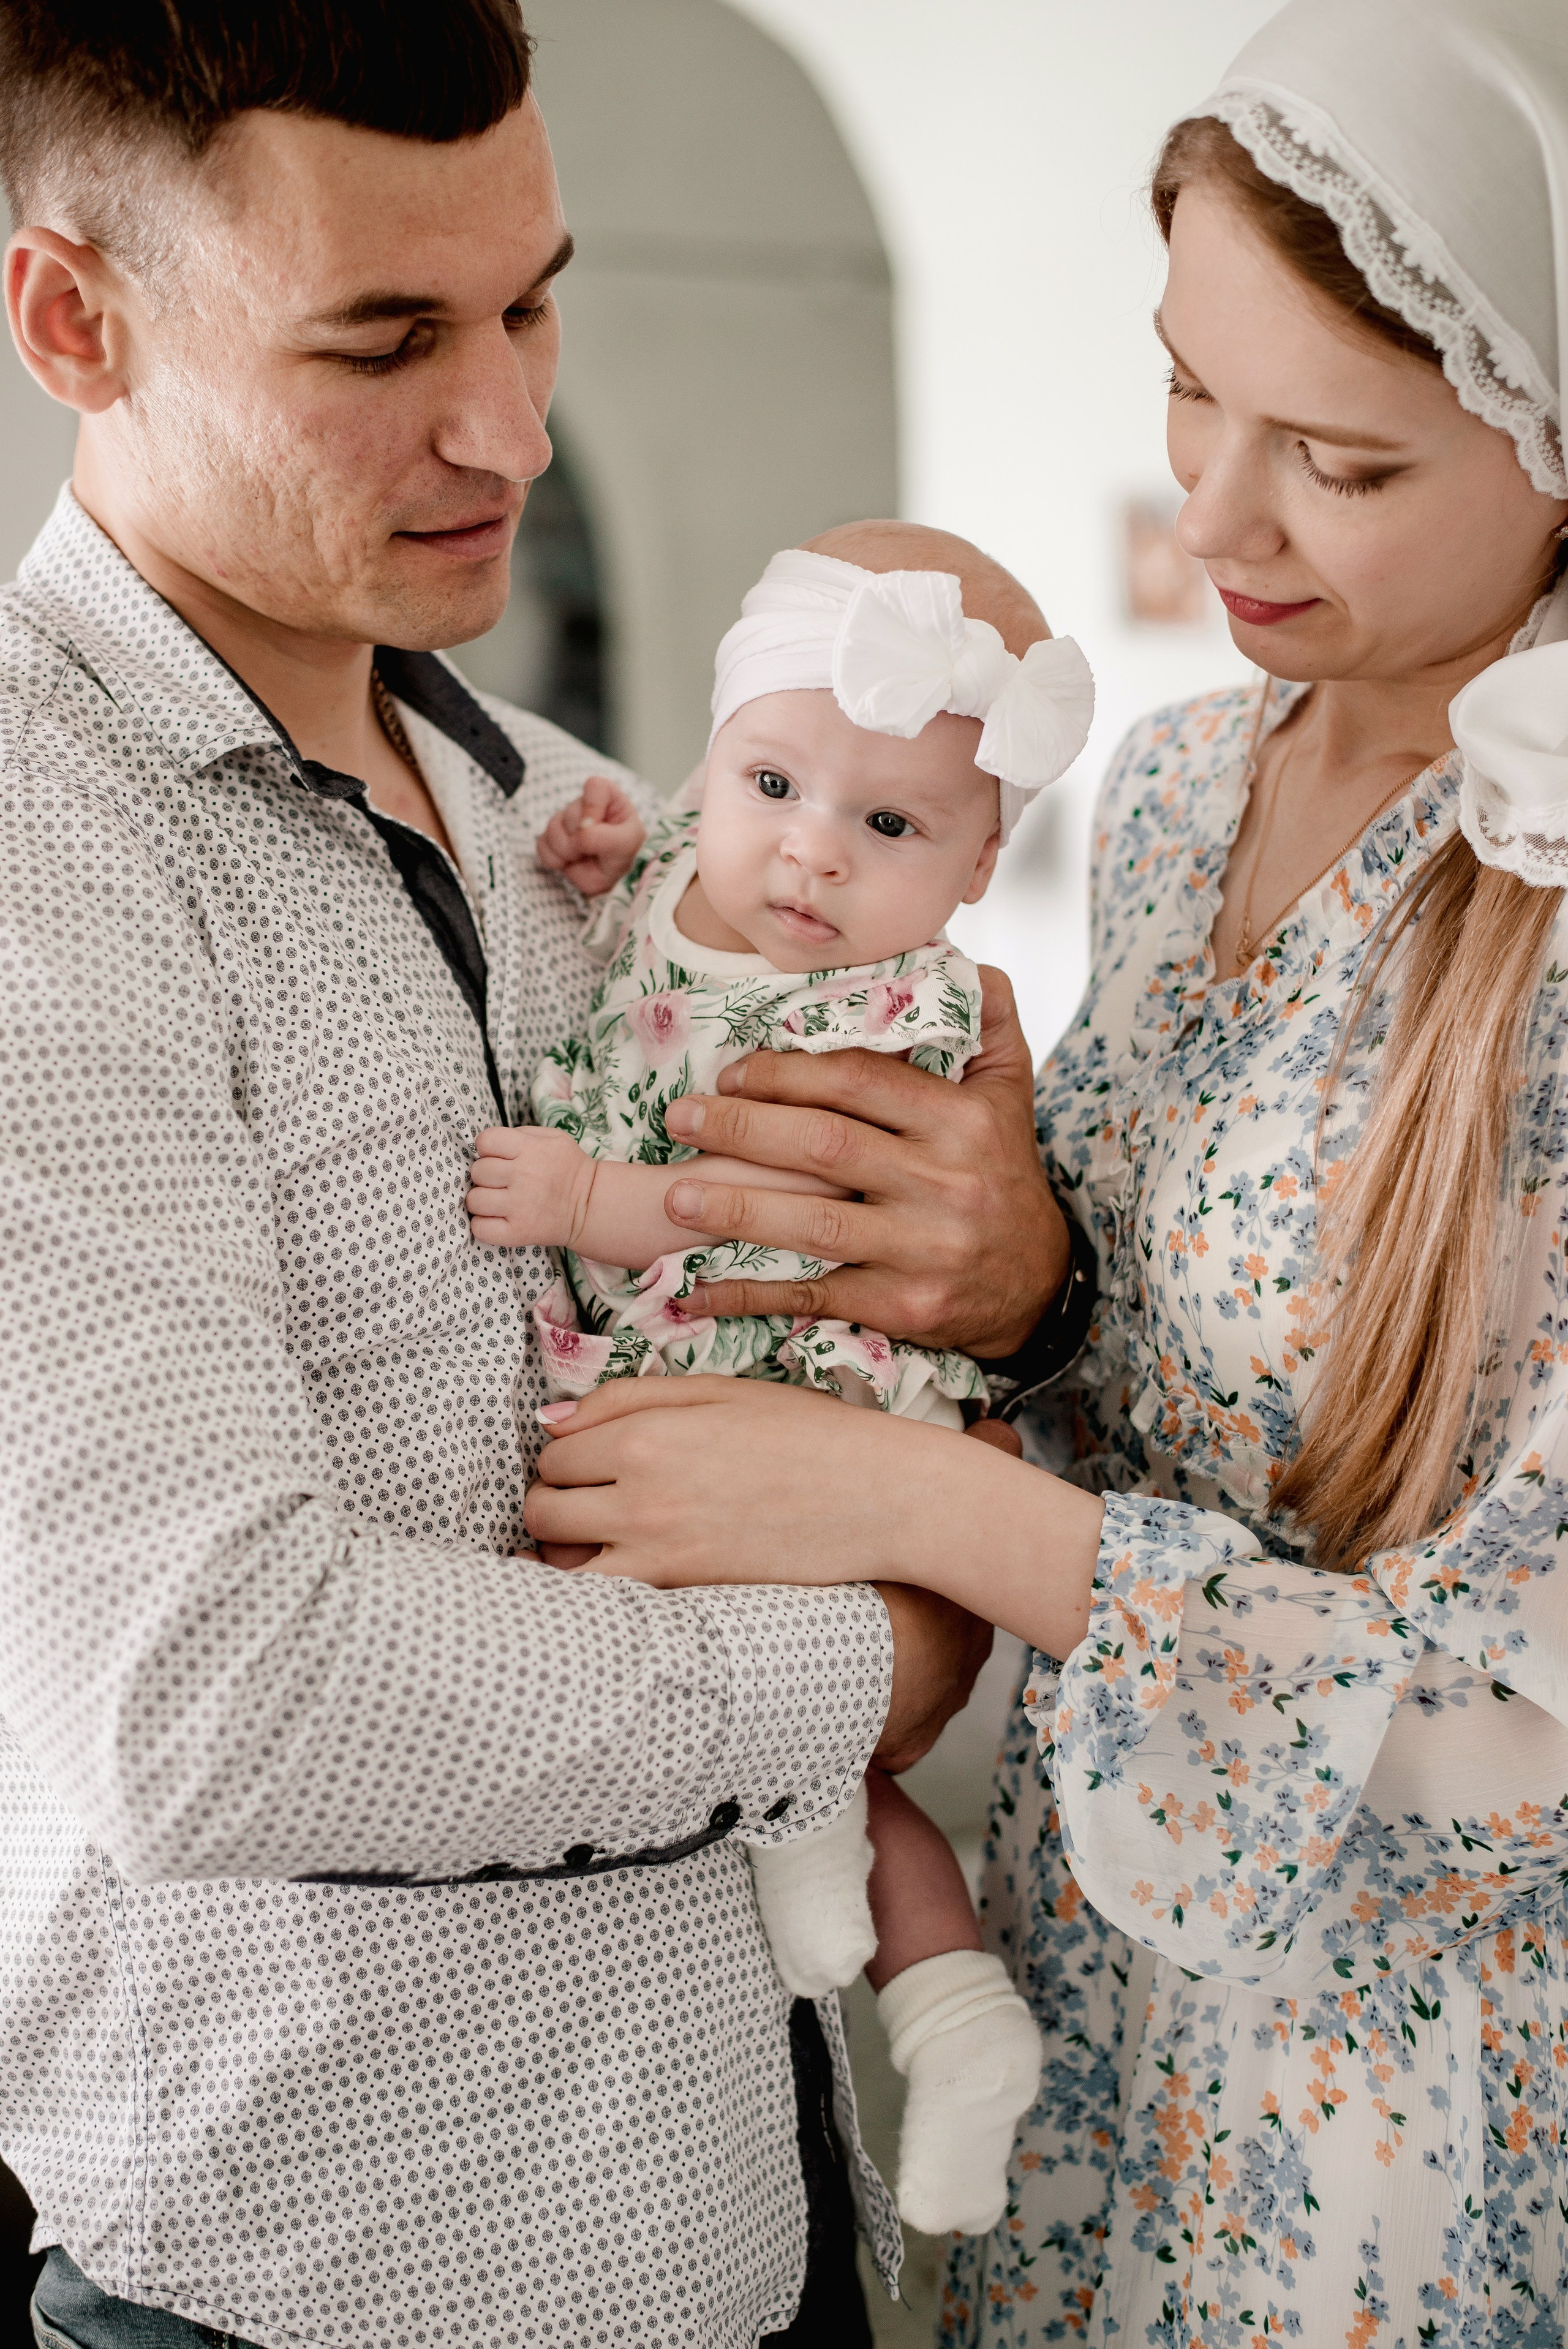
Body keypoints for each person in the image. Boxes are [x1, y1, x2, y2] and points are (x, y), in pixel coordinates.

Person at [0, 4, 1086, 2342]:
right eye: (387, 339)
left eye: (530, 299)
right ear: (74, 321)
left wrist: (1020, 1280)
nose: (513, 424)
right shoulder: (37, 851)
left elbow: (881, 1276)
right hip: (345, 2281)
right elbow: (219, 1694)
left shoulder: (564, 801)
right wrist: (872, 1652)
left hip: (749, 2191)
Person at [521, 0, 1568, 2339]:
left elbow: (1523, 1707)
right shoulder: (1190, 785)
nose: (1211, 514)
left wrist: (903, 1507)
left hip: (1404, 2093)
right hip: (1096, 1977)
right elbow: (1169, 1371)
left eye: (1341, 459)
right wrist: (1025, 1290)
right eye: (1191, 386)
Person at [469, 517, 1096, 2235]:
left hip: (800, 1392)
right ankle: (949, 2005)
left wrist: (592, 1198)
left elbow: (767, 1198)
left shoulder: (897, 1008)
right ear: (713, 756)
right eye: (771, 783)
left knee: (768, 1669)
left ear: (972, 871)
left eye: (889, 825)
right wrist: (615, 843)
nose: (809, 854)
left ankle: (878, 1923)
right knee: (833, 1748)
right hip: (721, 1396)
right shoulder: (707, 853)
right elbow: (658, 871)